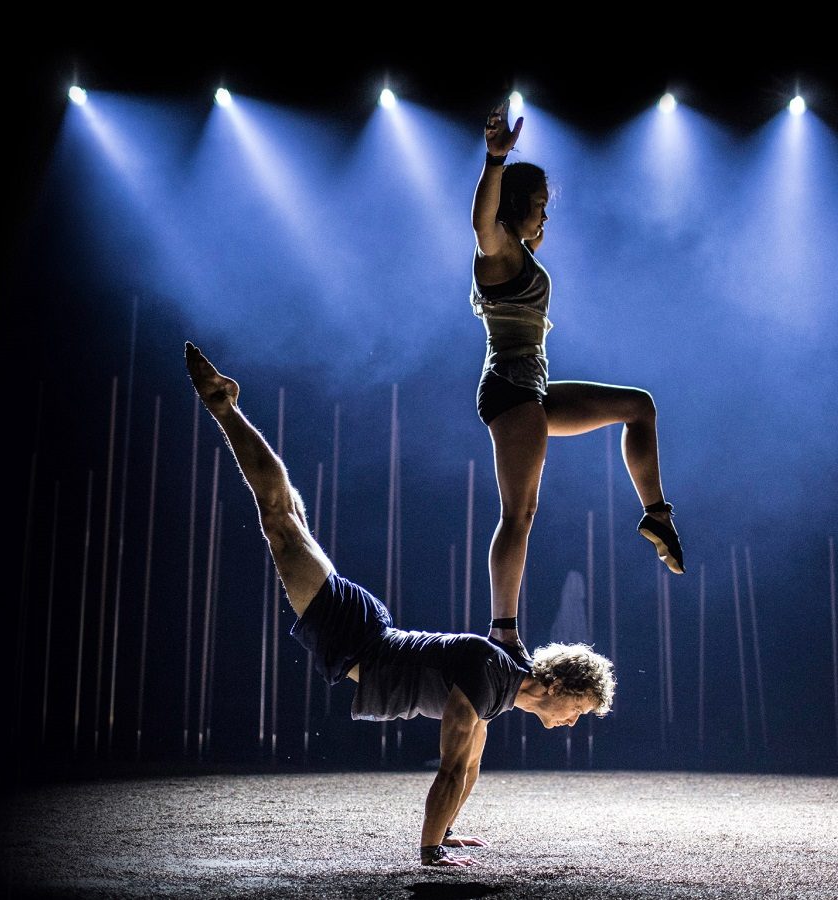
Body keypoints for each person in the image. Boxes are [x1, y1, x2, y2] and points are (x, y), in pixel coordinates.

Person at [184, 342, 615, 868]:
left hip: (364, 633)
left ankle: (228, 408)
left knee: (290, 516)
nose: (574, 722)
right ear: (558, 687)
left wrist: (449, 829)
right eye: (579, 710)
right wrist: (431, 850)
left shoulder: (501, 689)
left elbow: (471, 769)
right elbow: (451, 770)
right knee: (280, 520)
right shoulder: (489, 674)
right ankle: (224, 406)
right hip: (356, 635)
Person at [471, 100, 686, 663]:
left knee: (639, 406)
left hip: (534, 392)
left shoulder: (521, 255)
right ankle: (504, 633)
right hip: (510, 391)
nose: (546, 218)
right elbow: (482, 226)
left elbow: (515, 235)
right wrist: (495, 161)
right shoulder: (496, 255)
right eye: (539, 207)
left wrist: (527, 224)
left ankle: (656, 514)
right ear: (515, 207)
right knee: (519, 513)